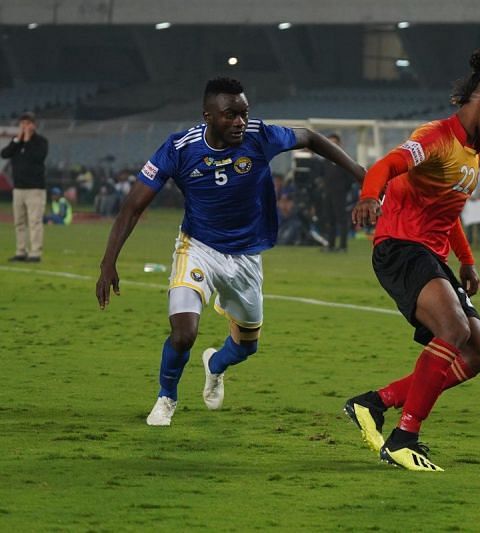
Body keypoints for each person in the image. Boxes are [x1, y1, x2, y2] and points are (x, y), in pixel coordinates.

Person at [95, 77, 365, 427]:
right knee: (184, 332)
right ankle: (166, 397)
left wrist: (361, 173)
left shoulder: (261, 136)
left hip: (246, 255)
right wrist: (108, 262)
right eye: (230, 115)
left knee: (247, 346)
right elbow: (132, 206)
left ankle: (215, 365)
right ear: (207, 115)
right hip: (198, 247)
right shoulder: (179, 148)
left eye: (244, 113)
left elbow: (311, 138)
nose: (240, 122)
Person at [343, 49, 480, 472]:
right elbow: (387, 164)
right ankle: (405, 438)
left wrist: (467, 260)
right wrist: (369, 196)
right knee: (454, 329)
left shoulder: (475, 151)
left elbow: (447, 210)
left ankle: (374, 403)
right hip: (400, 247)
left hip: (432, 255)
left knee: (478, 353)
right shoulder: (435, 137)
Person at [2, 112, 49, 262]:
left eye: (28, 123)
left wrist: (27, 140)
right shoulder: (16, 143)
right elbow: (4, 154)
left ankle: (35, 252)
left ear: (34, 125)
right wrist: (17, 140)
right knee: (19, 222)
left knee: (34, 221)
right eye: (22, 123)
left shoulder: (41, 141)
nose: (24, 126)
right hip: (18, 189)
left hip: (35, 189)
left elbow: (37, 157)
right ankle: (20, 251)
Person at [321, 133, 355, 252]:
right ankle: (330, 245)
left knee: (341, 220)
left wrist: (342, 190)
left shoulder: (344, 160)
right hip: (328, 193)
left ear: (339, 145)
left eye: (334, 143)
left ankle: (343, 246)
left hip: (340, 194)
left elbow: (350, 178)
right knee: (329, 219)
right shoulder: (325, 160)